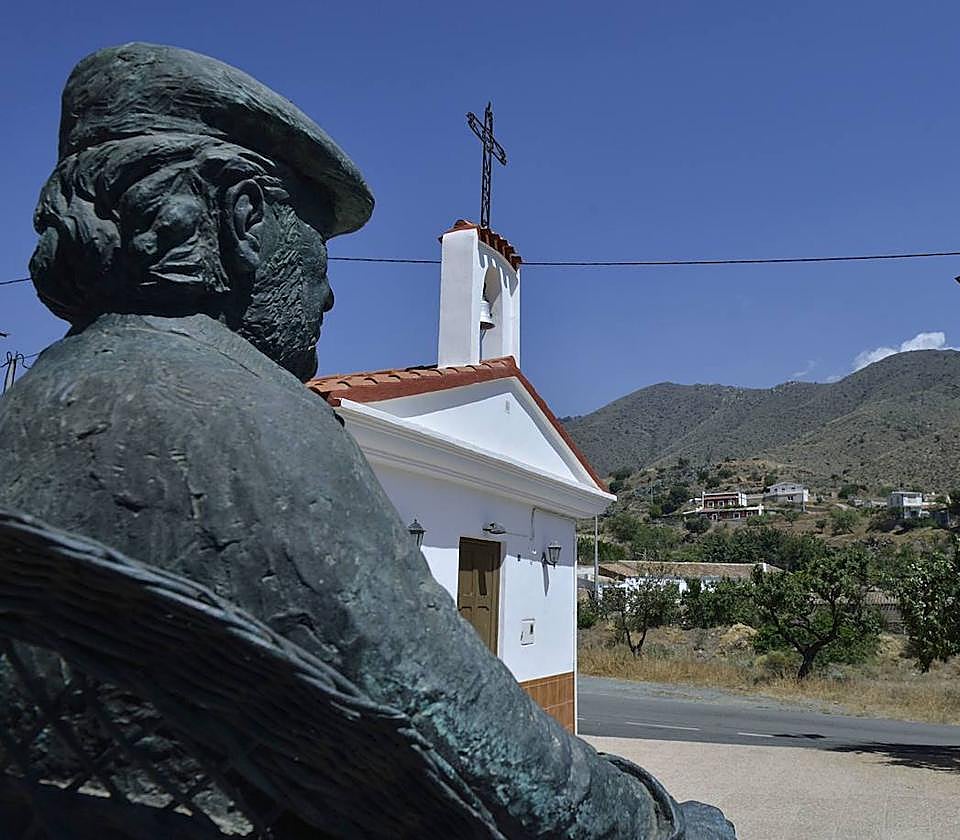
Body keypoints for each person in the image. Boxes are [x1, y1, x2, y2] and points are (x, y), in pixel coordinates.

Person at [0, 43, 733, 839]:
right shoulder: (247, 423)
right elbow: (481, 753)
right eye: (318, 247)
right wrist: (665, 822)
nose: (329, 294)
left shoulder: (27, 408)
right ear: (243, 220)